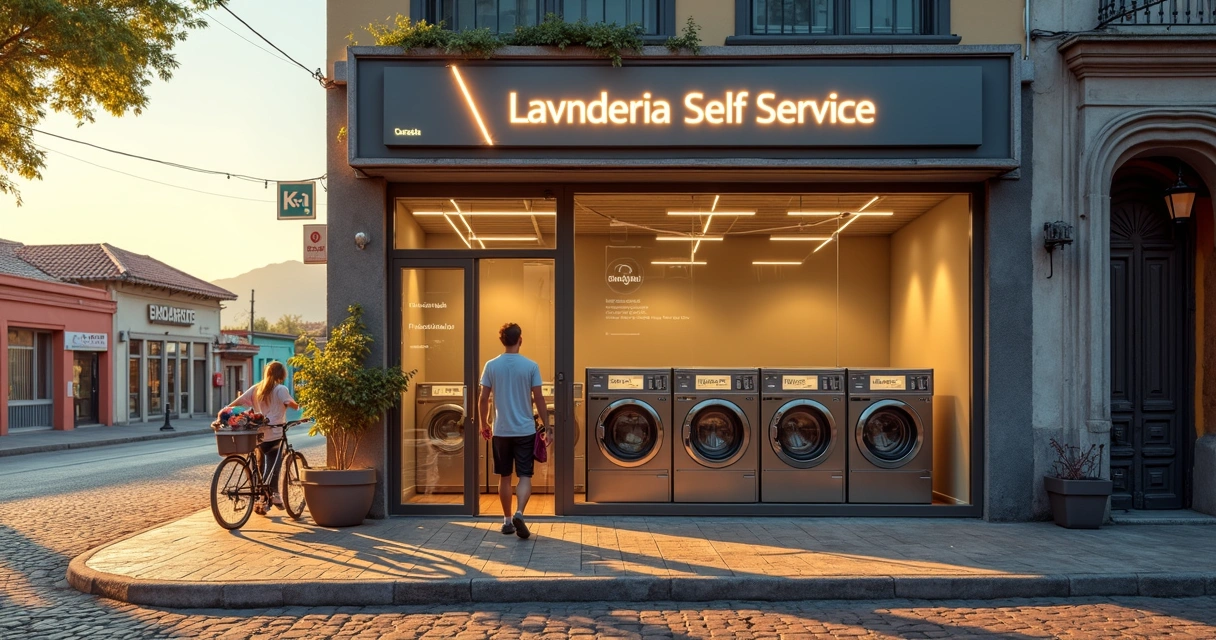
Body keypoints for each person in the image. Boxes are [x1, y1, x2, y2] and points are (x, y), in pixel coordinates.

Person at [478, 322, 547, 539]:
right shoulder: (530, 366)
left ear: (502, 340)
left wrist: (484, 423)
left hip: (501, 430)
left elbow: (483, 399)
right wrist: (547, 425)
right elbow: (539, 398)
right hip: (525, 429)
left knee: (504, 476)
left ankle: (507, 521)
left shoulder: (491, 365)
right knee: (525, 475)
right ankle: (520, 513)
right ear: (520, 339)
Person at [219, 361, 299, 514]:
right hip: (275, 434)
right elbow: (290, 403)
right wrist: (296, 405)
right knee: (273, 467)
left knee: (259, 468)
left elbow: (236, 403)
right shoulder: (281, 389)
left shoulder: (256, 389)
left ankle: (260, 500)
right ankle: (274, 495)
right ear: (282, 375)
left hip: (257, 436)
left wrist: (223, 414)